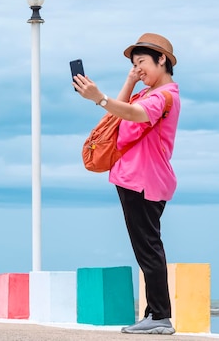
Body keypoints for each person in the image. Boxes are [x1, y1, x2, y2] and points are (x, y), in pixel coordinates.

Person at [72, 33, 181, 335]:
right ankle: (153, 314)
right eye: (134, 64)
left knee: (148, 247)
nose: (138, 68)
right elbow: (117, 113)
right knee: (145, 247)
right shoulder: (145, 93)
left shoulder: (164, 96)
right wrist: (130, 82)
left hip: (143, 180)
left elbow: (134, 114)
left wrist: (99, 98)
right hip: (133, 178)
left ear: (162, 60)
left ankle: (159, 315)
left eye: (142, 62)